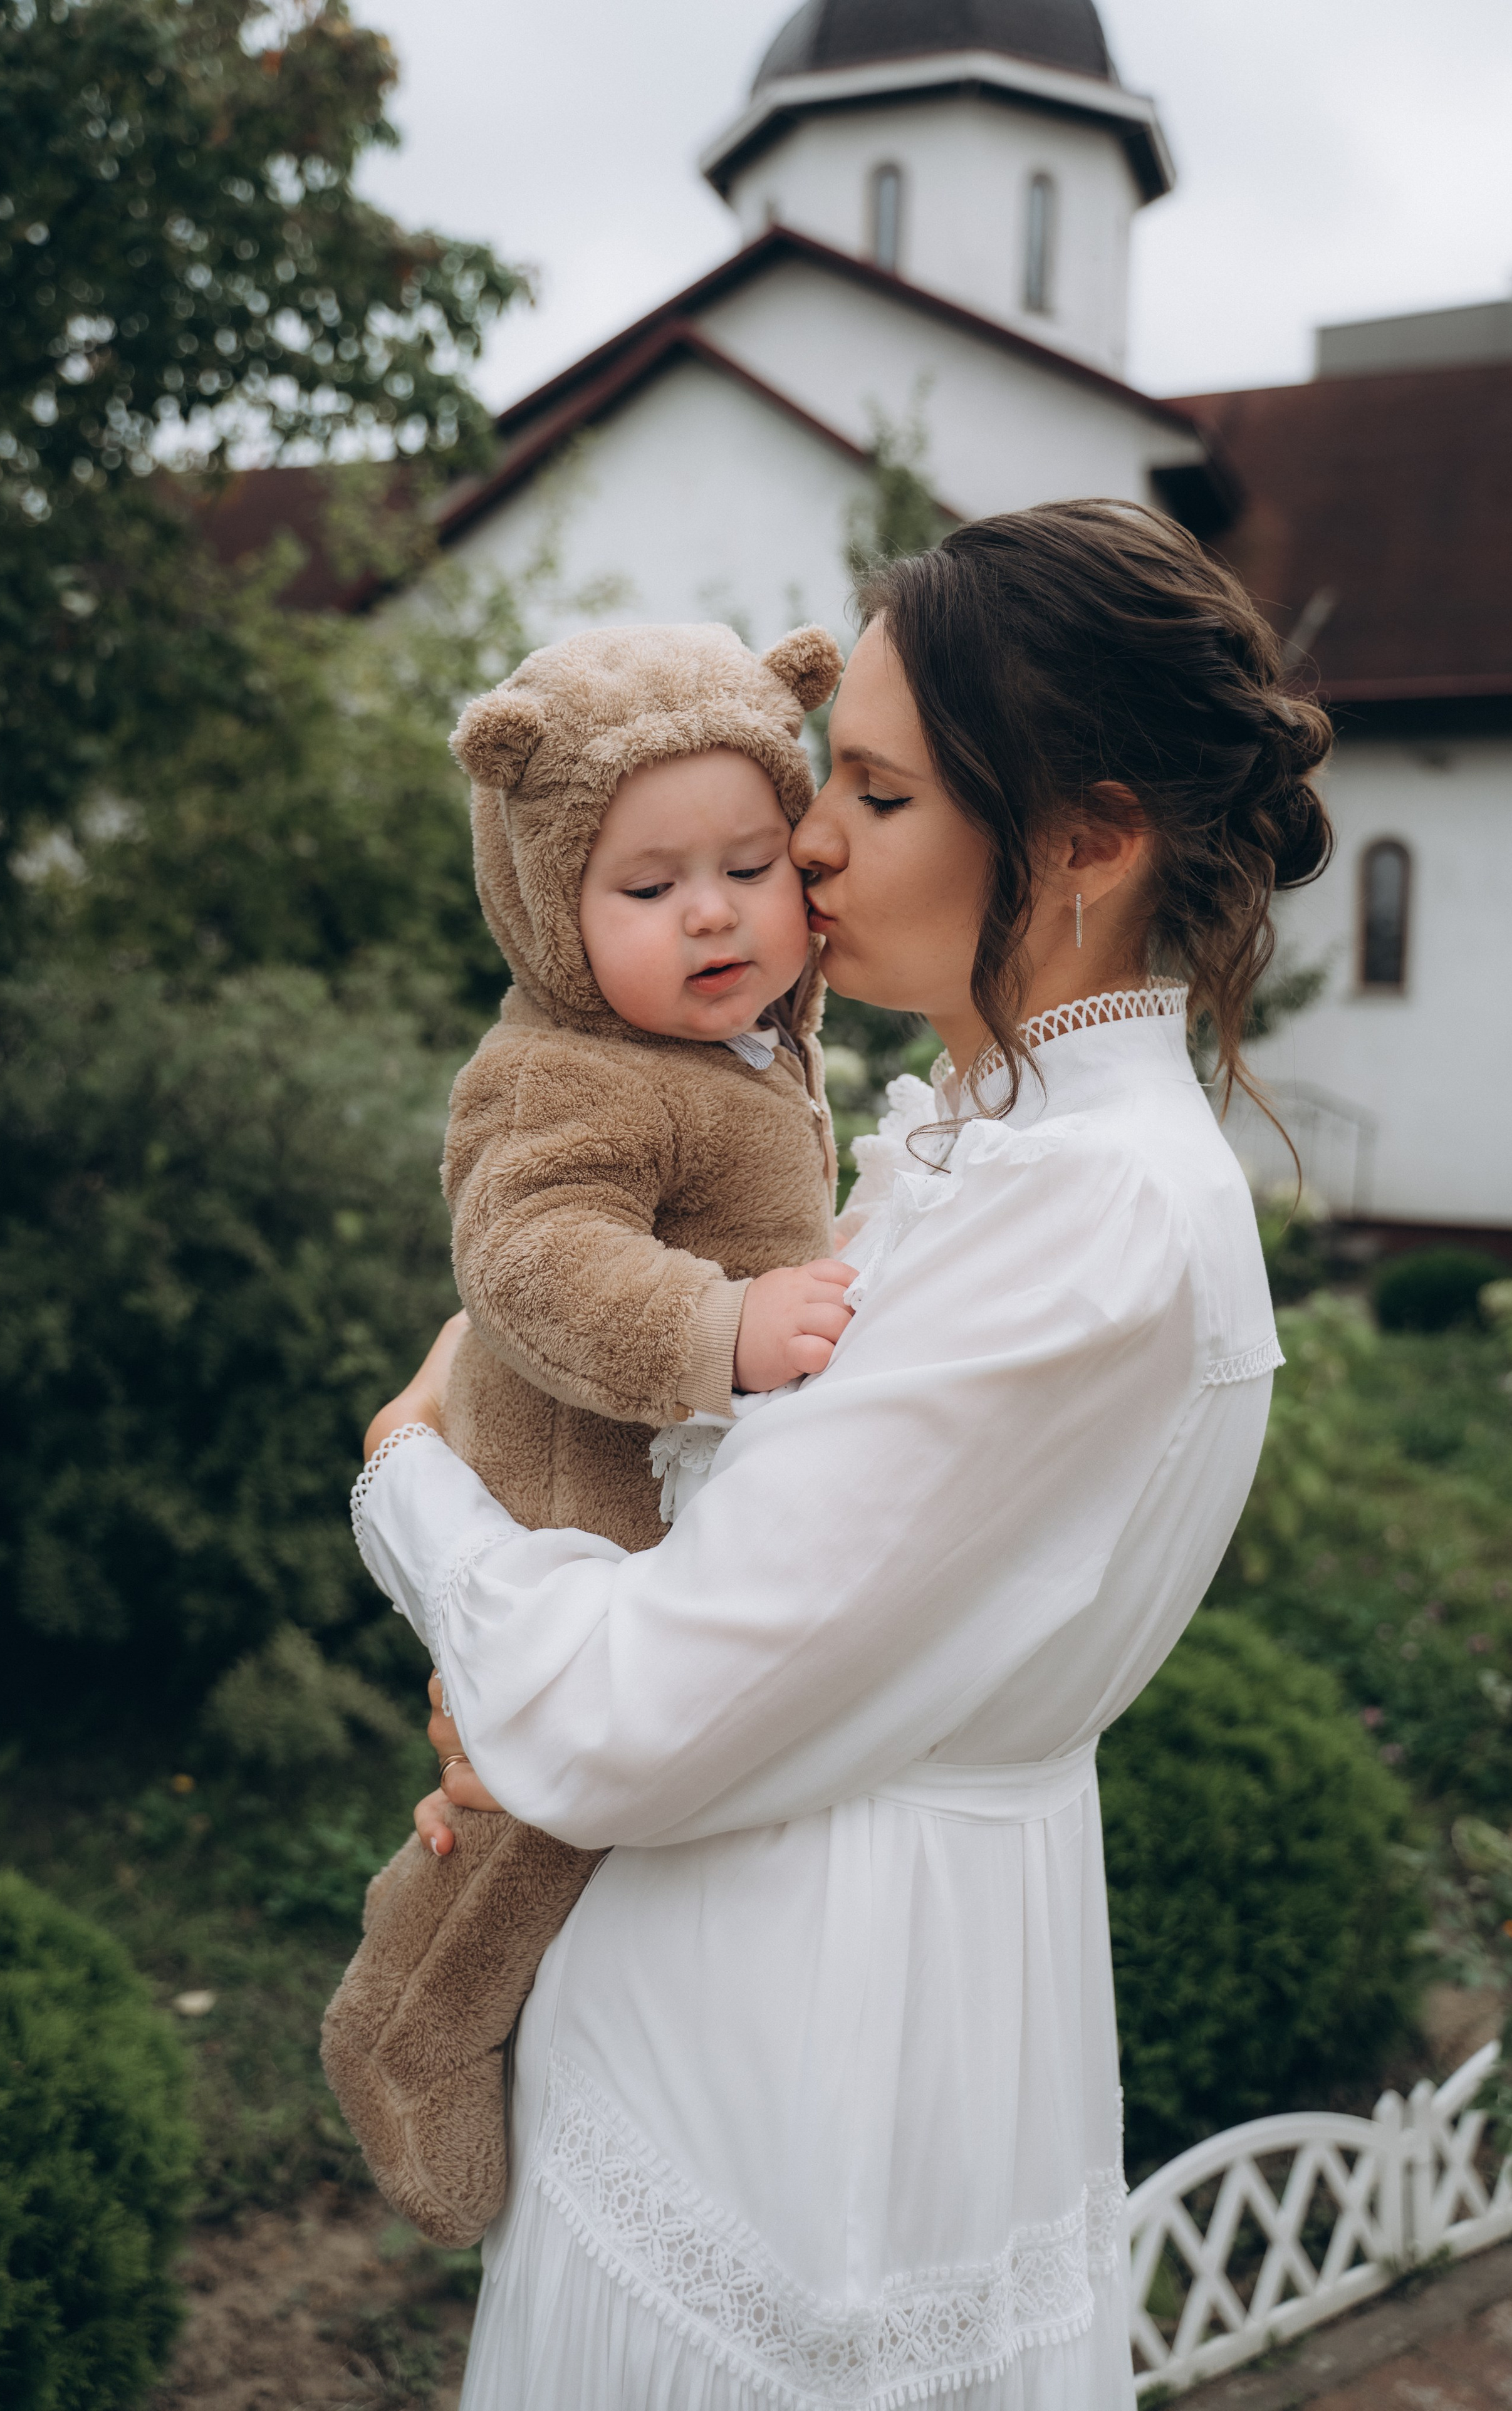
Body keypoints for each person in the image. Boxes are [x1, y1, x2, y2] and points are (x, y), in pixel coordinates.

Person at [353, 500, 1334, 2408]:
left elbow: (637, 1709)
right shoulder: (986, 1149)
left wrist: (415, 1484)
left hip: (810, 2061)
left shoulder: (1095, 1218)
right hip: (754, 2000)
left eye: (875, 797)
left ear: (1090, 839)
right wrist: (532, 1678)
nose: (805, 842)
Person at [326, 619, 857, 2245]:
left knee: (596, 1789)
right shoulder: (563, 1071)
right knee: (535, 1802)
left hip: (675, 1485)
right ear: (546, 905)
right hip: (573, 1493)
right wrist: (719, 1328)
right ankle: (404, 2026)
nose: (713, 911)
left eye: (751, 866)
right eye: (647, 886)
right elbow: (532, 1260)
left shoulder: (747, 1038)